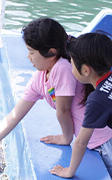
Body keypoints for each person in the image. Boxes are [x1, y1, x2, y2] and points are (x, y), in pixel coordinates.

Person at [0, 17, 112, 172]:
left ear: (51, 53)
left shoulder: (62, 68)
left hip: (103, 142)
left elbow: (64, 111)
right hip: (94, 141)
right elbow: (15, 115)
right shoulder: (41, 78)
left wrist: (66, 138)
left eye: (32, 52)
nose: (28, 57)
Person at [50, 33, 112, 178]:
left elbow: (81, 142)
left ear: (85, 70)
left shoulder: (97, 100)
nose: (71, 69)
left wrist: (69, 171)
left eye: (72, 65)